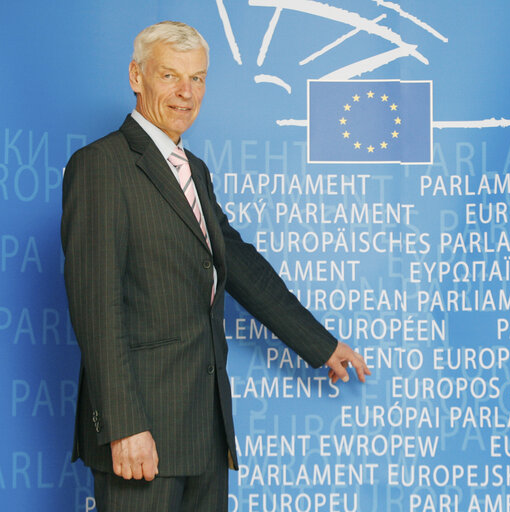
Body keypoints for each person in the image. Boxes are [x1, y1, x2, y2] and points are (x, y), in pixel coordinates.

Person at [61, 20, 370, 511]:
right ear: (136, 77)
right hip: (142, 433)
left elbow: (239, 266)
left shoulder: (194, 170)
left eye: (198, 78)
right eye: (170, 77)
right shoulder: (101, 166)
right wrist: (124, 427)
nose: (187, 93)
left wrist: (320, 343)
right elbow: (96, 308)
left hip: (204, 430)